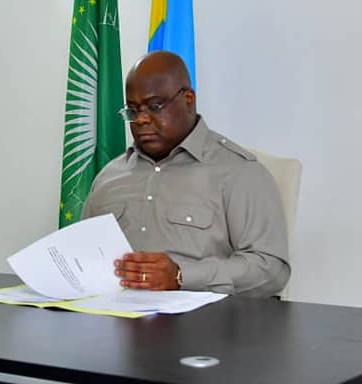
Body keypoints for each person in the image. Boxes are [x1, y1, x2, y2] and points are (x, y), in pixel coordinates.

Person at [81, 51, 290, 297]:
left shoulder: (238, 172)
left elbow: (271, 270)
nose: (142, 119)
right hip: (112, 315)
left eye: (155, 106)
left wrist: (182, 276)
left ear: (188, 100)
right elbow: (81, 256)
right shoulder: (109, 177)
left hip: (202, 318)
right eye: (133, 110)